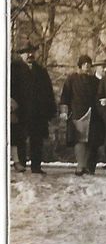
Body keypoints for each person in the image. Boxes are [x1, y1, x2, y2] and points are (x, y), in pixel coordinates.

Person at [10, 43, 57, 175]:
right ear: (20, 55)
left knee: (37, 139)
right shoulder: (14, 69)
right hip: (21, 111)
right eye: (26, 52)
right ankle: (21, 164)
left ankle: (36, 166)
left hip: (38, 113)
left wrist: (50, 111)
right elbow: (9, 89)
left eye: (32, 52)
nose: (30, 54)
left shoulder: (41, 71)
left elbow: (48, 92)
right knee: (20, 138)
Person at [59, 54, 103, 176]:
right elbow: (65, 97)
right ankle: (80, 165)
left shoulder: (96, 81)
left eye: (89, 64)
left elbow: (100, 96)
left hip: (93, 114)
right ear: (80, 66)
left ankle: (86, 165)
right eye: (84, 64)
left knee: (90, 141)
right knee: (79, 141)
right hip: (77, 114)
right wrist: (64, 112)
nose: (87, 66)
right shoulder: (72, 79)